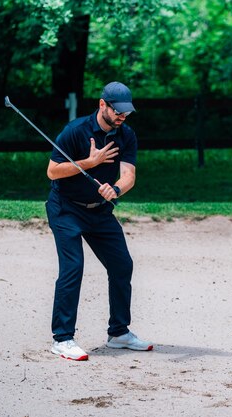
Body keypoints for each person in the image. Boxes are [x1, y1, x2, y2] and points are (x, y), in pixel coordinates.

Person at [45, 81, 152, 361]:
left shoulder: (125, 135)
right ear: (102, 105)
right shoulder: (75, 131)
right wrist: (90, 163)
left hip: (99, 210)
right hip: (66, 209)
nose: (122, 117)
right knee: (73, 267)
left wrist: (115, 189)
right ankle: (63, 339)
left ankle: (119, 333)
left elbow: (128, 175)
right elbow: (53, 172)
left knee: (122, 265)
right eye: (117, 112)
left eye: (126, 113)